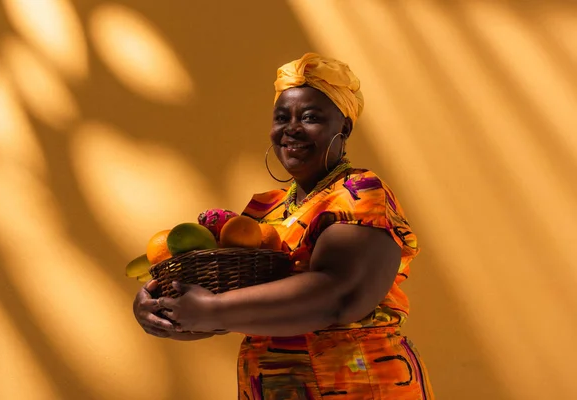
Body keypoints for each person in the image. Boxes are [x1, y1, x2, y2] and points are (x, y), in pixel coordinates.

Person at [133, 53, 434, 399]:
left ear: (344, 127)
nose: (291, 128)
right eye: (281, 117)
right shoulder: (263, 212)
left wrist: (214, 309)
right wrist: (160, 310)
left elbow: (340, 296)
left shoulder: (359, 193)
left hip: (359, 386)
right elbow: (226, 311)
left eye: (310, 117)